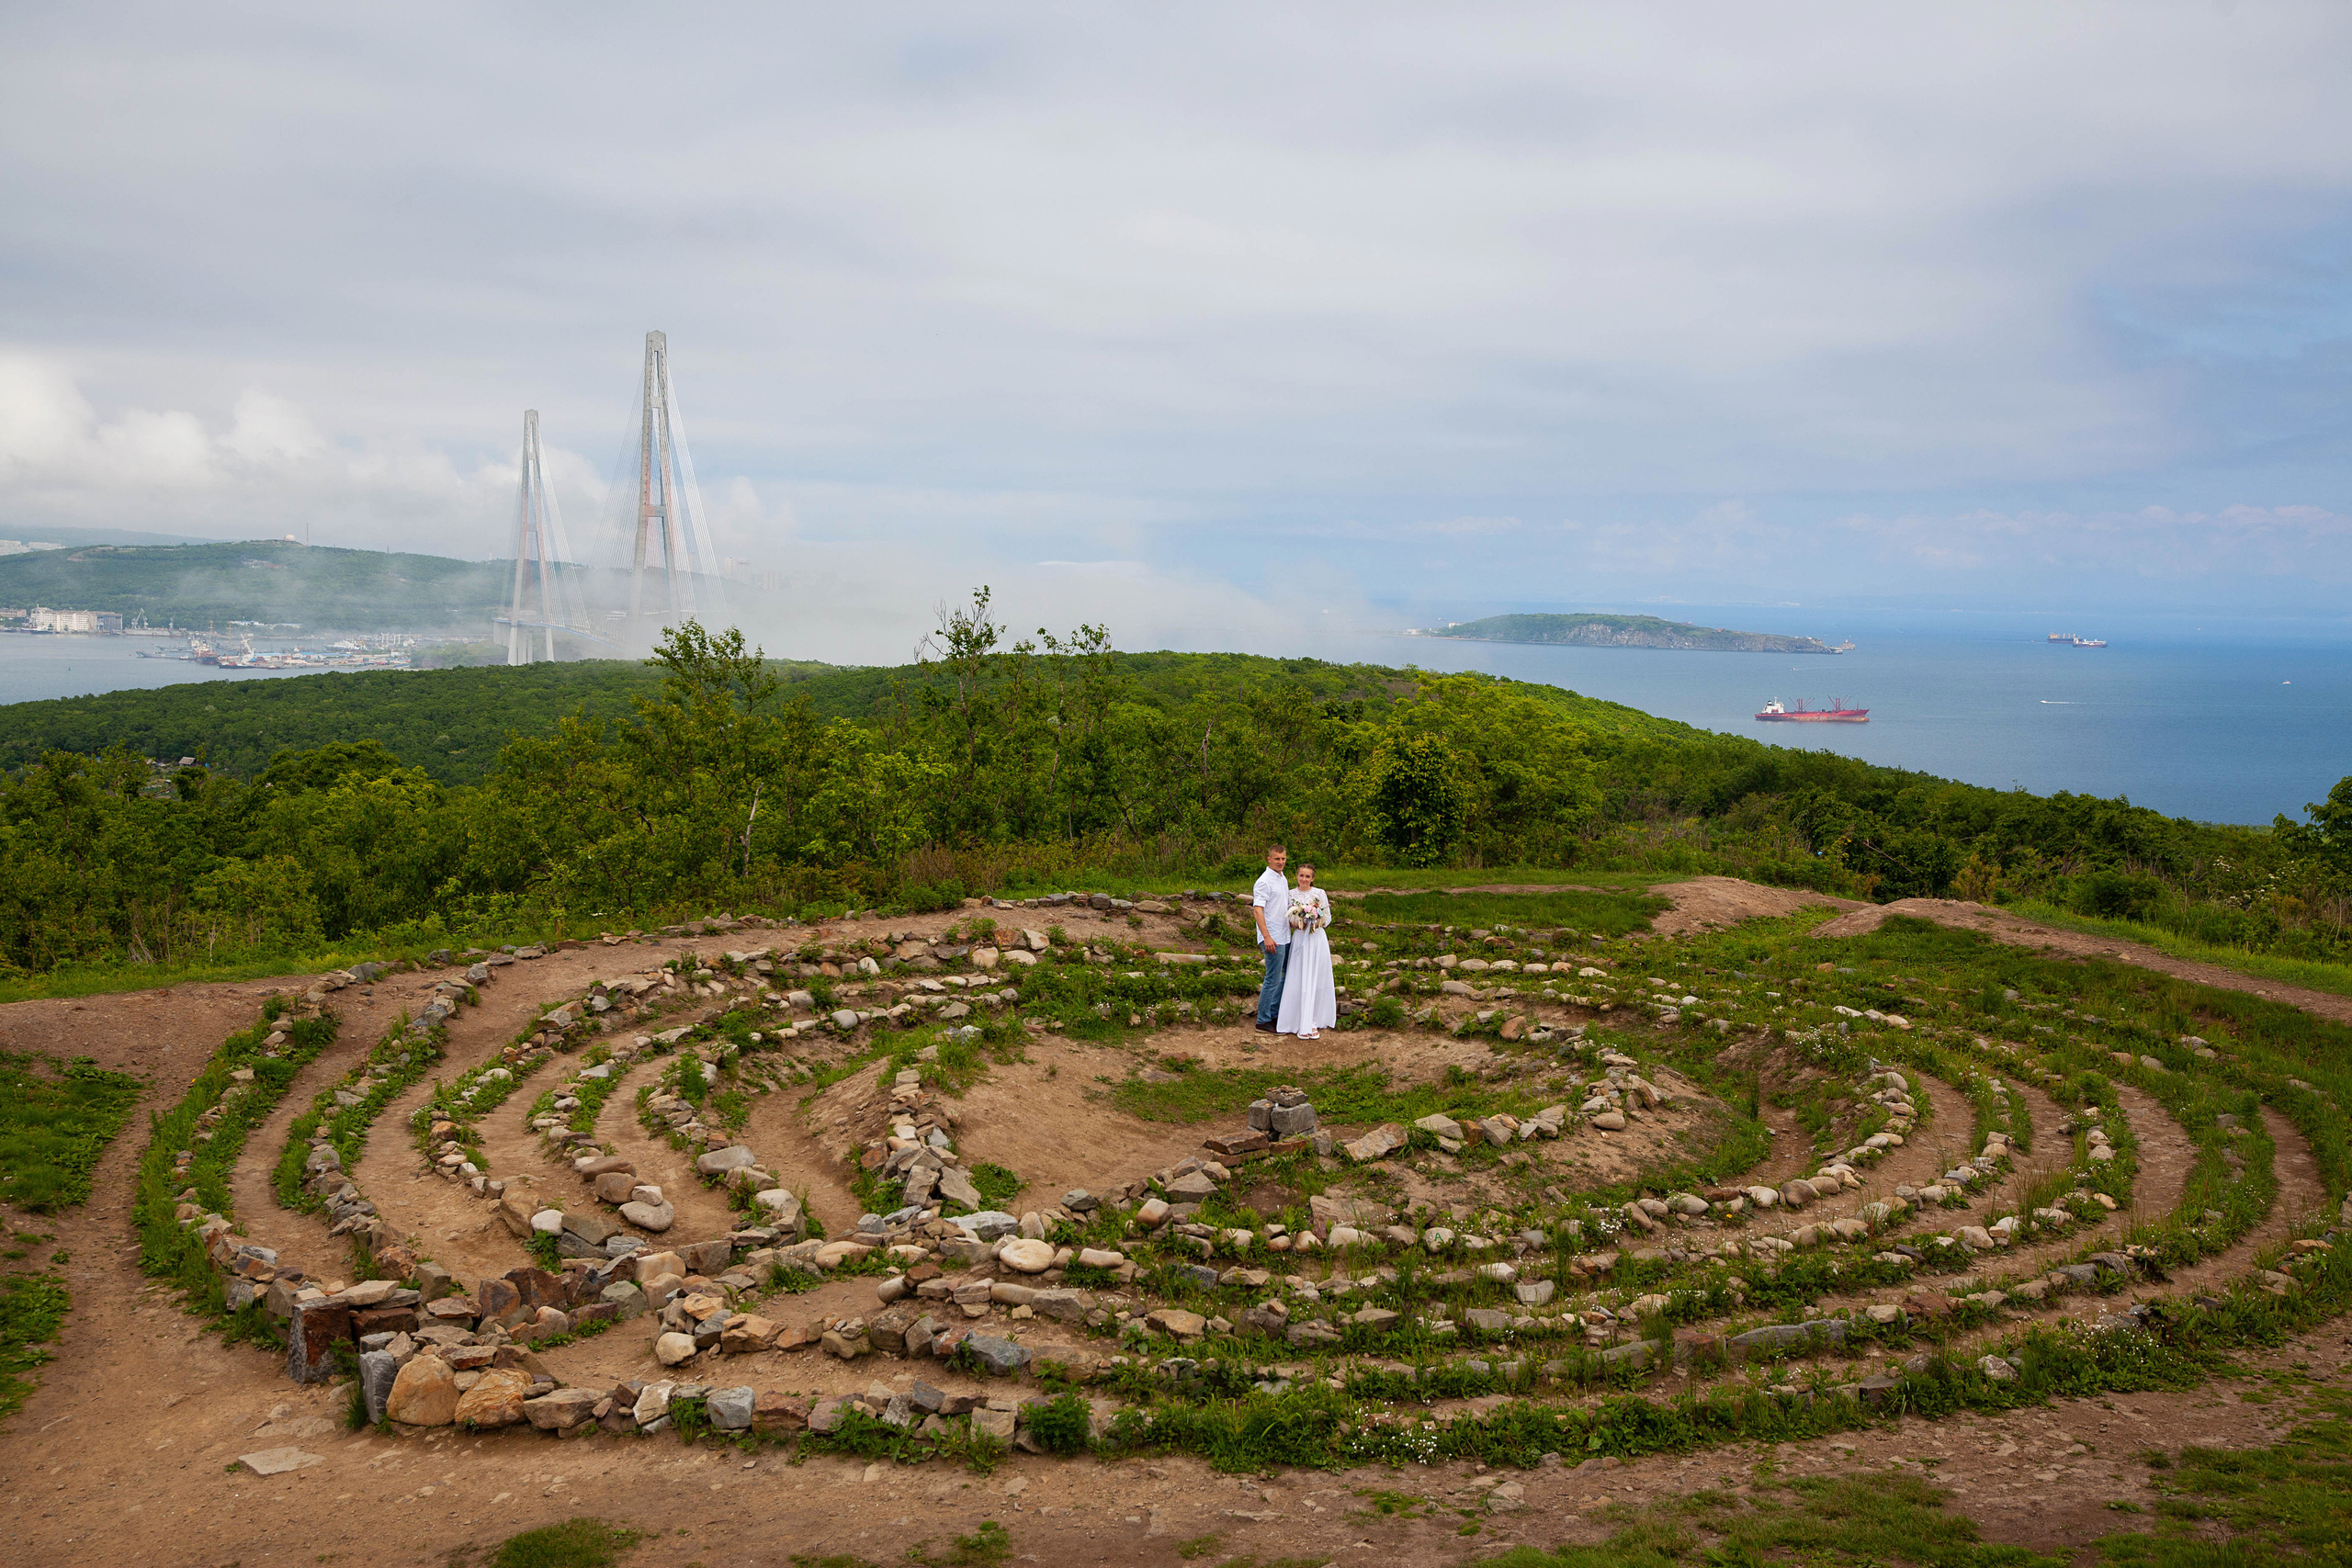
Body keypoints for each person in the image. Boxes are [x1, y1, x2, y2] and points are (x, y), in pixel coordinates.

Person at [1276, 863, 1336, 1038]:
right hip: (1300, 938)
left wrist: (1316, 921)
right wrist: (1297, 923)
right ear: (1297, 876)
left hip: (1316, 938)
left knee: (1316, 976)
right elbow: (1286, 918)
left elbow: (1328, 917)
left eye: (1307, 876)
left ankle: (1314, 1019)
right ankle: (1296, 1019)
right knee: (1298, 975)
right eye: (1301, 876)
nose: (1304, 879)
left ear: (1312, 878)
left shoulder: (1320, 893)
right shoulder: (1290, 894)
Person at [1250, 843, 1291, 1033]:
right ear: (1269, 859)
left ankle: (1274, 1012)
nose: (1281, 862)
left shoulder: (1283, 878)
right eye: (1277, 859)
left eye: (1283, 858)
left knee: (1286, 976)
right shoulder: (1264, 881)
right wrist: (1266, 937)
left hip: (1284, 935)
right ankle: (1263, 1020)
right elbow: (1258, 910)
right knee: (1272, 979)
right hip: (1272, 937)